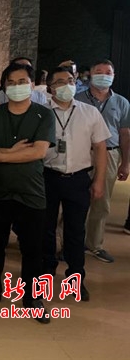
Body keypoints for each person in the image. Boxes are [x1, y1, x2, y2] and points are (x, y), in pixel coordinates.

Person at [0, 62, 56, 325]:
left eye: (22, 82)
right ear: (4, 86)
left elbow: (38, 152)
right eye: (11, 82)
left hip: (31, 192)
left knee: (32, 249)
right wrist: (11, 152)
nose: (17, 86)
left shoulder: (44, 115)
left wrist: (0, 155)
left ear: (32, 85)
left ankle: (33, 299)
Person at [42, 66, 110, 301]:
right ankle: (45, 275)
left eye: (70, 80)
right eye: (60, 82)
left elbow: (100, 148)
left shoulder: (89, 112)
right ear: (51, 88)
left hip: (79, 178)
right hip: (48, 177)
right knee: (46, 230)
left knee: (75, 231)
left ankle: (75, 279)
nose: (67, 85)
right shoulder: (41, 112)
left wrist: (98, 180)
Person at [75, 59, 130, 263]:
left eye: (108, 72)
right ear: (90, 74)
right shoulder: (77, 99)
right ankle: (70, 243)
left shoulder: (121, 102)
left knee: (101, 201)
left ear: (114, 76)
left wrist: (126, 162)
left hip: (109, 154)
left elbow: (125, 134)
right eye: (99, 71)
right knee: (75, 199)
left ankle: (94, 244)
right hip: (81, 153)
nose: (104, 75)